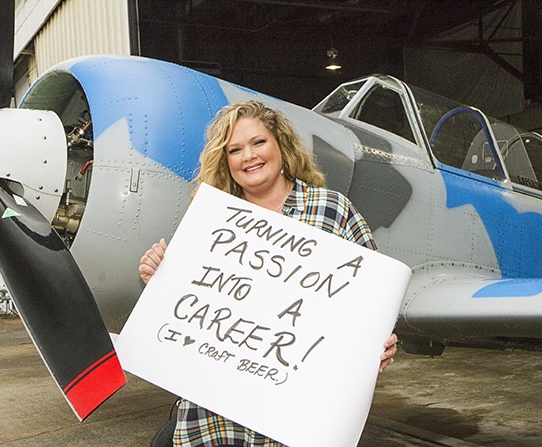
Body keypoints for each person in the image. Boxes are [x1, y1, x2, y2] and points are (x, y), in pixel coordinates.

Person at [139, 100, 398, 447]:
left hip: (297, 419)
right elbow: (186, 312)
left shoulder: (332, 210)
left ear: (281, 144)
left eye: (258, 142)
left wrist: (378, 343)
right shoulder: (210, 221)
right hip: (216, 421)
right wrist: (159, 277)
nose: (248, 156)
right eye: (235, 150)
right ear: (225, 161)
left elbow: (373, 299)